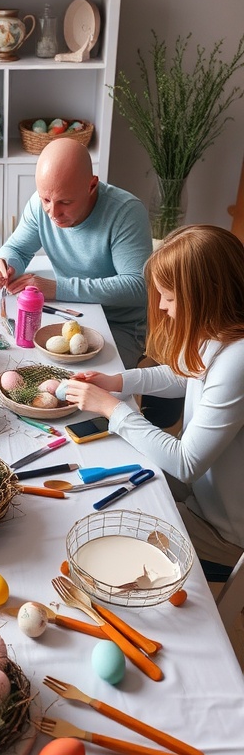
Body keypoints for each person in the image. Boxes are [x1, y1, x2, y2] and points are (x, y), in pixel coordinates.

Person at [63, 224, 244, 580]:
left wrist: (112, 408)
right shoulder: (220, 330)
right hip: (201, 495)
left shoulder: (238, 361)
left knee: (102, 538)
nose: (162, 307)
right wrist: (119, 381)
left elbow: (185, 462)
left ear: (206, 296)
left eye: (170, 298)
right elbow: (185, 375)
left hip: (224, 535)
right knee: (105, 487)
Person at [0, 137, 153, 369]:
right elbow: (17, 248)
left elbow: (138, 287)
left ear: (92, 185)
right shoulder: (40, 205)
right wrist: (5, 263)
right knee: (15, 365)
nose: (53, 213)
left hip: (118, 326)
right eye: (46, 199)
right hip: (68, 313)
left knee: (81, 390)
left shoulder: (126, 213)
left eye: (65, 202)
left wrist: (58, 288)